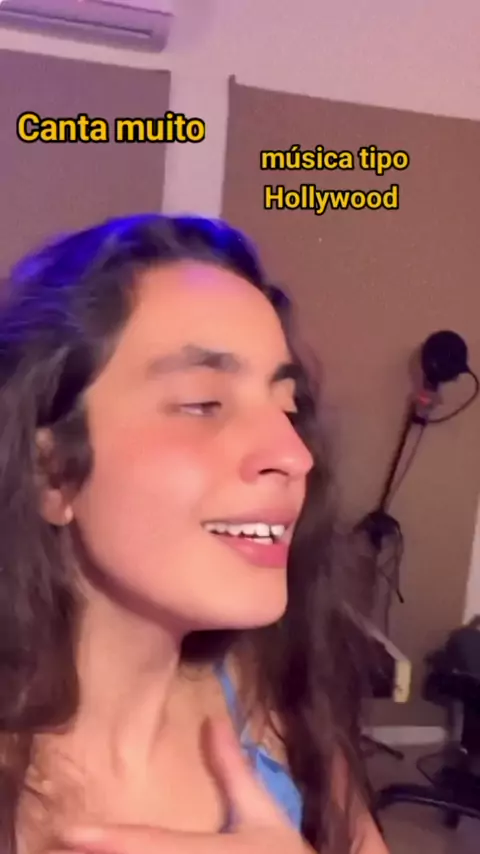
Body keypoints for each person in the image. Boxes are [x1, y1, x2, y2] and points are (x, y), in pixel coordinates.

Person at [0, 214, 388, 854]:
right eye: (204, 404)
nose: (294, 455)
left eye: (287, 408)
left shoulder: (269, 706)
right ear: (52, 472)